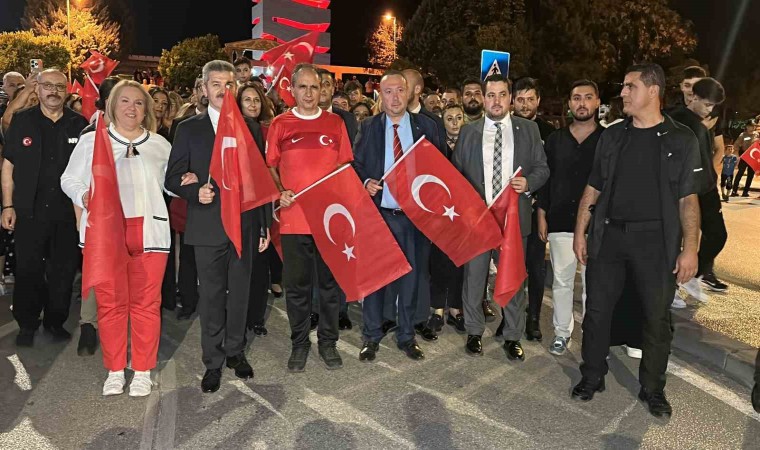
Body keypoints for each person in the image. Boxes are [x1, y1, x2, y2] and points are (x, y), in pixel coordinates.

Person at [571, 63, 701, 418]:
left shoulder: (681, 139)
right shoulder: (613, 136)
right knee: (597, 312)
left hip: (655, 243)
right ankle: (592, 375)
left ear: (653, 91)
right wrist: (581, 232)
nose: (623, 93)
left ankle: (653, 388)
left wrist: (690, 249)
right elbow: (594, 186)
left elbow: (688, 199)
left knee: (656, 318)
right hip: (609, 238)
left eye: (631, 87)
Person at [61, 80, 171, 397]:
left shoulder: (160, 145)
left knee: (146, 304)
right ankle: (115, 368)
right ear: (112, 105)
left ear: (146, 110)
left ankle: (142, 369)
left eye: (138, 102)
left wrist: (189, 182)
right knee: (110, 305)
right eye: (124, 101)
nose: (131, 108)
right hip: (105, 235)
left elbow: (172, 184)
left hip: (150, 233)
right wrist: (84, 195)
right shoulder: (92, 141)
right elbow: (68, 178)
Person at [165, 60, 270, 393]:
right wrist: (196, 191)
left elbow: (260, 180)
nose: (223, 91)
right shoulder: (188, 128)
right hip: (208, 225)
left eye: (229, 84)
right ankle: (213, 361)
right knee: (211, 297)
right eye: (216, 84)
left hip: (245, 224)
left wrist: (264, 226)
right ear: (204, 88)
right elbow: (171, 178)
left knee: (239, 294)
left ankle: (235, 351)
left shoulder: (250, 128)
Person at [452, 74, 549, 358]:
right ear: (483, 98)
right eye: (491, 95)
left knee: (514, 278)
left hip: (513, 220)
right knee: (474, 278)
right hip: (478, 221)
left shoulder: (529, 129)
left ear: (510, 98)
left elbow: (542, 168)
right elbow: (456, 174)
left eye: (502, 94)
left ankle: (512, 335)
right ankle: (474, 331)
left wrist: (528, 183)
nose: (496, 101)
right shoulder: (468, 132)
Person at [266, 63, 353, 372]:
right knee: (298, 287)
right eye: (302, 86)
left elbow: (345, 168)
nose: (308, 93)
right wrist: (280, 191)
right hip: (295, 220)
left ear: (323, 90)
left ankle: (328, 342)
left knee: (329, 286)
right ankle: (300, 343)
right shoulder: (280, 124)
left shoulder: (335, 123)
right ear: (292, 89)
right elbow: (270, 166)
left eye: (314, 87)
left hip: (329, 221)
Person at [353, 69, 443, 362]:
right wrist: (366, 181)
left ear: (410, 93)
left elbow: (440, 169)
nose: (395, 97)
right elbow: (354, 164)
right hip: (380, 214)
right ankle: (371, 336)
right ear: (380, 95)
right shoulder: (368, 127)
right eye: (388, 91)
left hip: (415, 217)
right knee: (376, 279)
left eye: (400, 90)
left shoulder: (427, 126)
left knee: (411, 279)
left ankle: (407, 336)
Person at [3, 69, 88, 348]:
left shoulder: (79, 124)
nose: (54, 91)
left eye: (60, 86)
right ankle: (27, 324)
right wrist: (8, 205)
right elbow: (8, 166)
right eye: (48, 85)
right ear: (37, 89)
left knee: (63, 271)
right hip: (29, 211)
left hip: (67, 214)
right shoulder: (22, 121)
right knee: (28, 270)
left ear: (67, 91)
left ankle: (55, 321)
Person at [536, 80, 602, 356]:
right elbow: (546, 178)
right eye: (576, 98)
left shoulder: (608, 139)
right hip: (561, 220)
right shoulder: (556, 139)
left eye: (588, 97)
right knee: (562, 282)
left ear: (597, 102)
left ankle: (592, 336)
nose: (582, 103)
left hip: (596, 225)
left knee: (593, 285)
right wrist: (542, 212)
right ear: (569, 103)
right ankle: (562, 333)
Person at [667, 77, 728, 297]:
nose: (709, 110)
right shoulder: (674, 119)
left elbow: (711, 152)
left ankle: (693, 275)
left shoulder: (704, 123)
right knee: (675, 240)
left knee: (718, 235)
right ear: (693, 97)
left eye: (713, 106)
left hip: (707, 188)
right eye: (707, 104)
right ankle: (672, 285)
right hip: (685, 190)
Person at [511, 77, 556, 342]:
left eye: (530, 99)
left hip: (536, 210)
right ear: (512, 101)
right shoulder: (503, 129)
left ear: (538, 100)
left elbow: (551, 174)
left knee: (536, 267)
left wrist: (542, 209)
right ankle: (510, 318)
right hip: (508, 211)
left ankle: (534, 318)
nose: (525, 105)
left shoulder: (550, 133)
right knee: (510, 266)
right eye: (520, 99)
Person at [235, 82, 276, 337]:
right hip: (237, 206)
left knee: (260, 266)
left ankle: (256, 317)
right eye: (247, 99)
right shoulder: (232, 131)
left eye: (257, 100)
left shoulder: (266, 132)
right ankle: (239, 319)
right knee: (240, 269)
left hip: (260, 204)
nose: (252, 104)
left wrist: (266, 222)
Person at [428, 103, 466, 334]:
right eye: (449, 118)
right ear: (443, 122)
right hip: (440, 212)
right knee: (439, 261)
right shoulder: (435, 145)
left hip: (464, 213)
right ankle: (437, 309)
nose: (454, 122)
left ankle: (455, 308)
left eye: (458, 117)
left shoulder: (471, 143)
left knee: (460, 261)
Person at [731, 121, 758, 197]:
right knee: (740, 173)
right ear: (747, 126)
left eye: (754, 126)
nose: (752, 128)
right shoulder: (742, 135)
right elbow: (736, 145)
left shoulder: (756, 134)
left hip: (753, 157)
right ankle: (734, 191)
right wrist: (737, 156)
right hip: (744, 155)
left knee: (750, 175)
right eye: (751, 126)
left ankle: (745, 192)